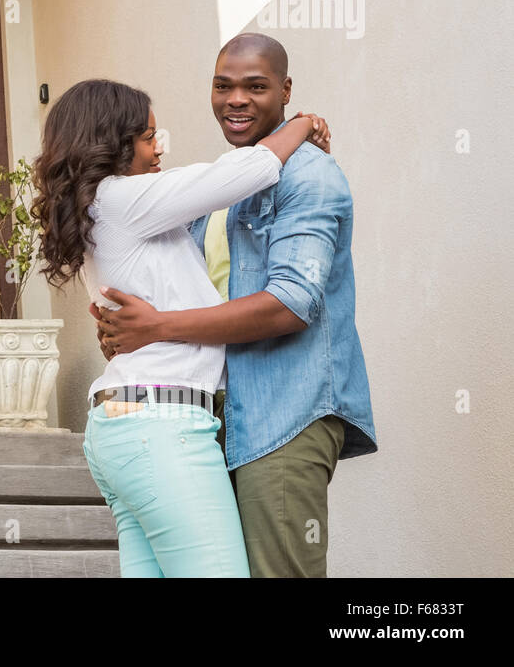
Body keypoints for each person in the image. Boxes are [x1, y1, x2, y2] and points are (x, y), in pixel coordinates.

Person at [92, 33, 378, 577]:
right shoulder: (220, 189)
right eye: (223, 86)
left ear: (285, 90)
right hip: (221, 417)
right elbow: (182, 291)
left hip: (287, 411)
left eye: (255, 86)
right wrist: (124, 325)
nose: (236, 99)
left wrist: (156, 327)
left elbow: (292, 304)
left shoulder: (309, 175)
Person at [30, 77, 330, 577]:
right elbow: (242, 172)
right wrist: (302, 123)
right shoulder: (122, 199)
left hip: (125, 429)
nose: (158, 148)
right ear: (114, 143)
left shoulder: (98, 213)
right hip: (161, 430)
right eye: (149, 136)